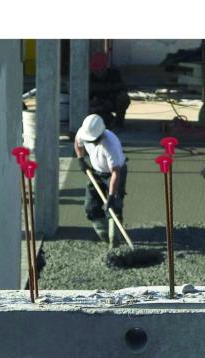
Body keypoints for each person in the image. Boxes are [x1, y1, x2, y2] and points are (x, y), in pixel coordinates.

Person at [74, 114, 127, 248]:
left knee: (113, 206)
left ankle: (114, 237)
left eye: (95, 140)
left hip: (114, 173)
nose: (93, 142)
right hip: (96, 171)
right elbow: (77, 142)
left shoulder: (111, 145)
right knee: (90, 205)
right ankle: (102, 229)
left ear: (101, 134)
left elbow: (115, 173)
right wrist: (80, 159)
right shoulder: (84, 133)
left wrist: (110, 196)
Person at [89, 52, 130, 128]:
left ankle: (119, 120)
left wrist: (109, 99)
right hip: (97, 107)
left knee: (123, 98)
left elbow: (123, 89)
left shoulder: (114, 74)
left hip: (112, 102)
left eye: (100, 70)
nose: (98, 73)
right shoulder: (89, 78)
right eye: (95, 71)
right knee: (103, 120)